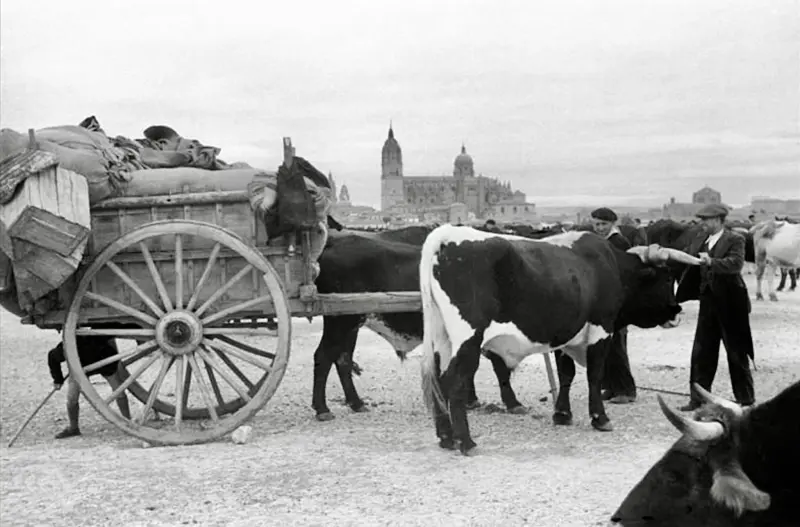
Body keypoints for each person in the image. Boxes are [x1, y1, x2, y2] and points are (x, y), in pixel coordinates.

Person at [676, 203, 755, 411]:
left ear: (720, 220)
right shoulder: (701, 239)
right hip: (708, 301)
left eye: (706, 220)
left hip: (731, 302)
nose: (702, 223)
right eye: (701, 219)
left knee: (736, 352)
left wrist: (711, 262)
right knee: (702, 351)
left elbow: (735, 264)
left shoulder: (735, 238)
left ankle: (746, 399)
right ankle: (698, 398)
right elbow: (687, 257)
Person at [590, 207, 637, 404]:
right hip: (604, 298)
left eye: (603, 224)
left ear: (613, 224)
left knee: (617, 344)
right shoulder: (602, 241)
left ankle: (626, 390)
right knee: (605, 345)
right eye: (597, 224)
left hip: (617, 300)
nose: (600, 228)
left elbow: (624, 272)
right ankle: (610, 386)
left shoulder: (618, 242)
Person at [48, 336, 131, 438]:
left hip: (100, 359)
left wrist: (58, 380)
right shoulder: (67, 348)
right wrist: (58, 379)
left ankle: (128, 423)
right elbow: (52, 356)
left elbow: (52, 356)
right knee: (72, 396)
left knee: (72, 397)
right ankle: (128, 423)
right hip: (83, 364)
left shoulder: (66, 348)